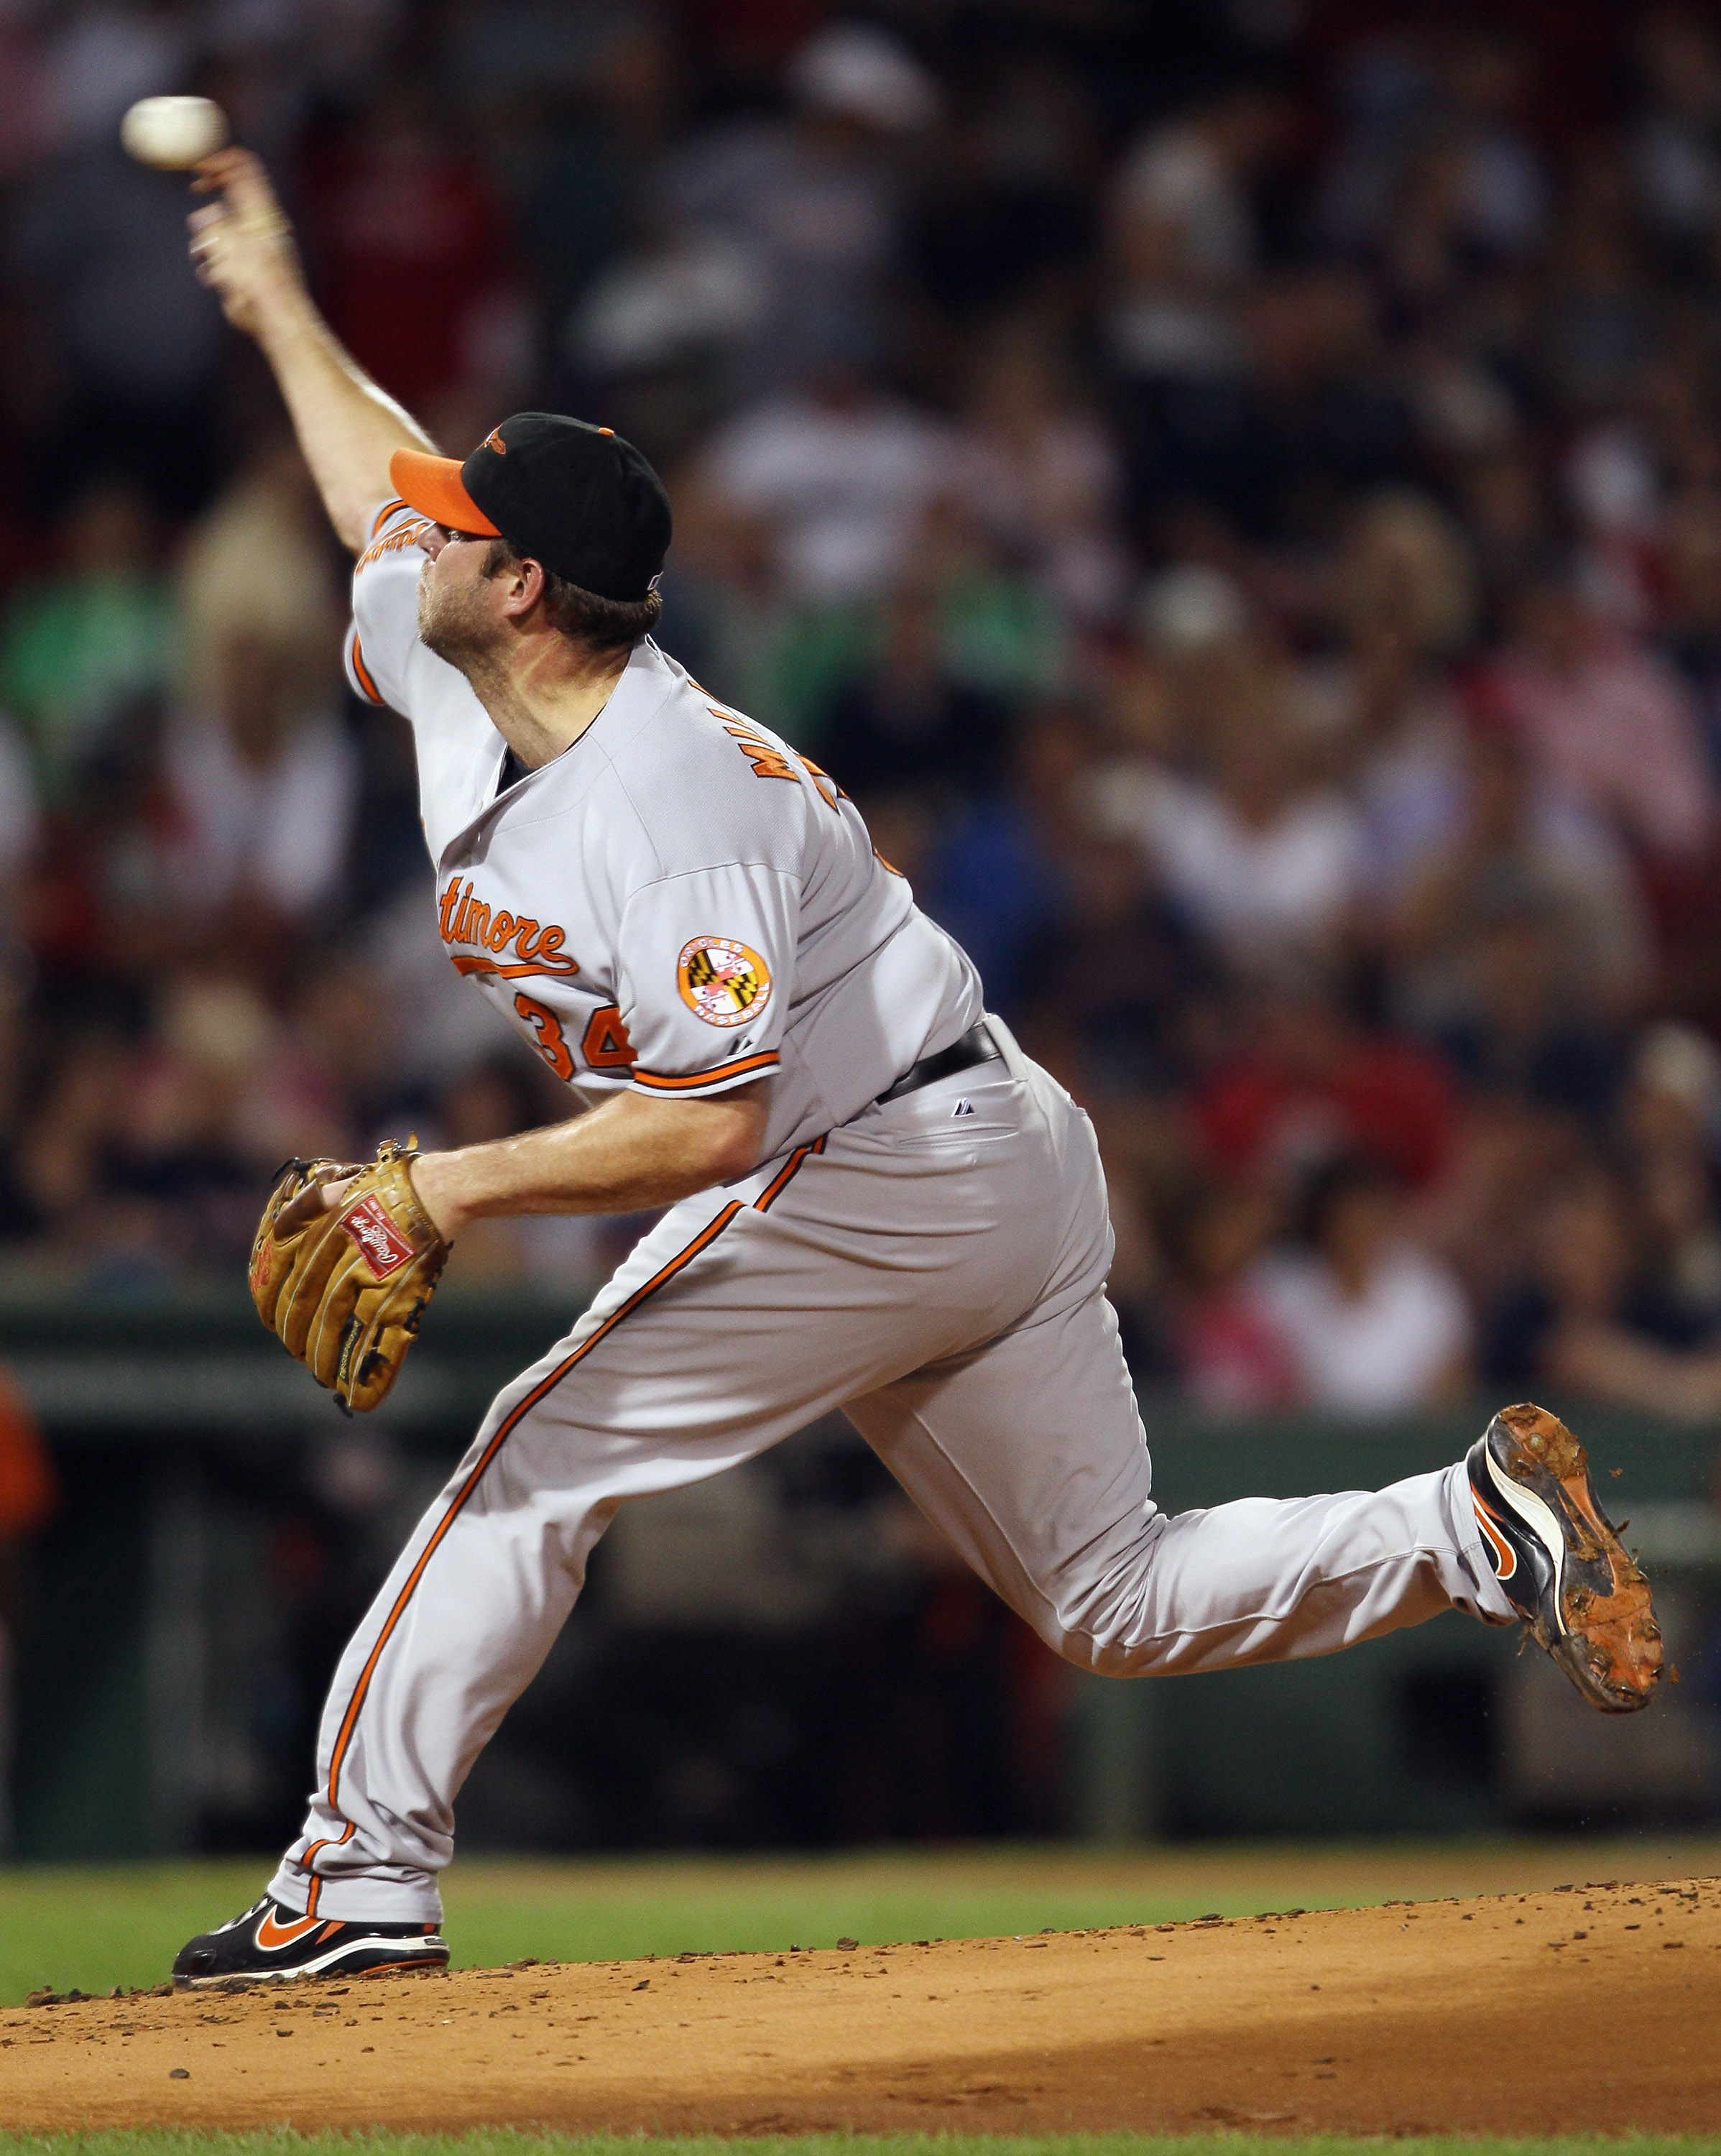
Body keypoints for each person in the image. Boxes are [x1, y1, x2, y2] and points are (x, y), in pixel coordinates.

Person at [170, 149, 1662, 1989]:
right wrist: (279, 305)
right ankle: (1466, 1528)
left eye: (459, 524)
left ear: (531, 586)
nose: (420, 533)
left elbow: (714, 1120)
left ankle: (360, 1880)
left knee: (533, 1456)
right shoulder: (455, 638)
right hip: (970, 1140)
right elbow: (365, 477)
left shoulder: (673, 802)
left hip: (884, 1156)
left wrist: (442, 1189)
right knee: (1104, 1595)